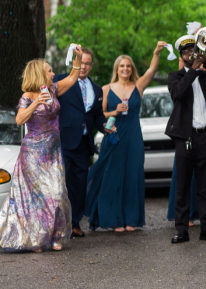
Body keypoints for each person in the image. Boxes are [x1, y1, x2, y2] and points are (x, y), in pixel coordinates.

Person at [0, 47, 88, 251]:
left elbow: (73, 78)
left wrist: (78, 57)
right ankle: (37, 240)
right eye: (49, 71)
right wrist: (35, 103)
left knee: (56, 192)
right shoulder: (27, 96)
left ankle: (55, 235)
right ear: (39, 73)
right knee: (35, 198)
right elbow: (19, 119)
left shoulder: (54, 90)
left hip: (53, 151)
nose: (53, 74)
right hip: (32, 153)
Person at [86, 42, 168, 232]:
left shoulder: (138, 86)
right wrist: (114, 111)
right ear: (117, 69)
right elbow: (99, 115)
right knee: (113, 177)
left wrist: (156, 52)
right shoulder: (107, 88)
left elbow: (152, 70)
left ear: (132, 69)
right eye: (122, 66)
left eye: (128, 66)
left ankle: (132, 219)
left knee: (133, 176)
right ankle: (113, 220)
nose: (125, 69)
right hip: (114, 136)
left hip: (133, 136)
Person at [167, 35, 206, 244]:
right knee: (183, 186)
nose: (190, 55)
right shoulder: (175, 76)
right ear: (181, 56)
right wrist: (193, 70)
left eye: (193, 51)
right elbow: (178, 93)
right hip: (185, 137)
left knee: (205, 185)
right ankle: (182, 230)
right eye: (186, 52)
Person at [55, 48, 109, 238]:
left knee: (79, 185)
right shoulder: (61, 81)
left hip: (84, 144)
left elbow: (96, 116)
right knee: (62, 184)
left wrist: (105, 127)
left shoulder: (96, 89)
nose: (84, 66)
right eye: (81, 62)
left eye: (87, 63)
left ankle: (75, 223)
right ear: (75, 62)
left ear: (91, 66)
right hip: (63, 141)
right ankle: (59, 224)